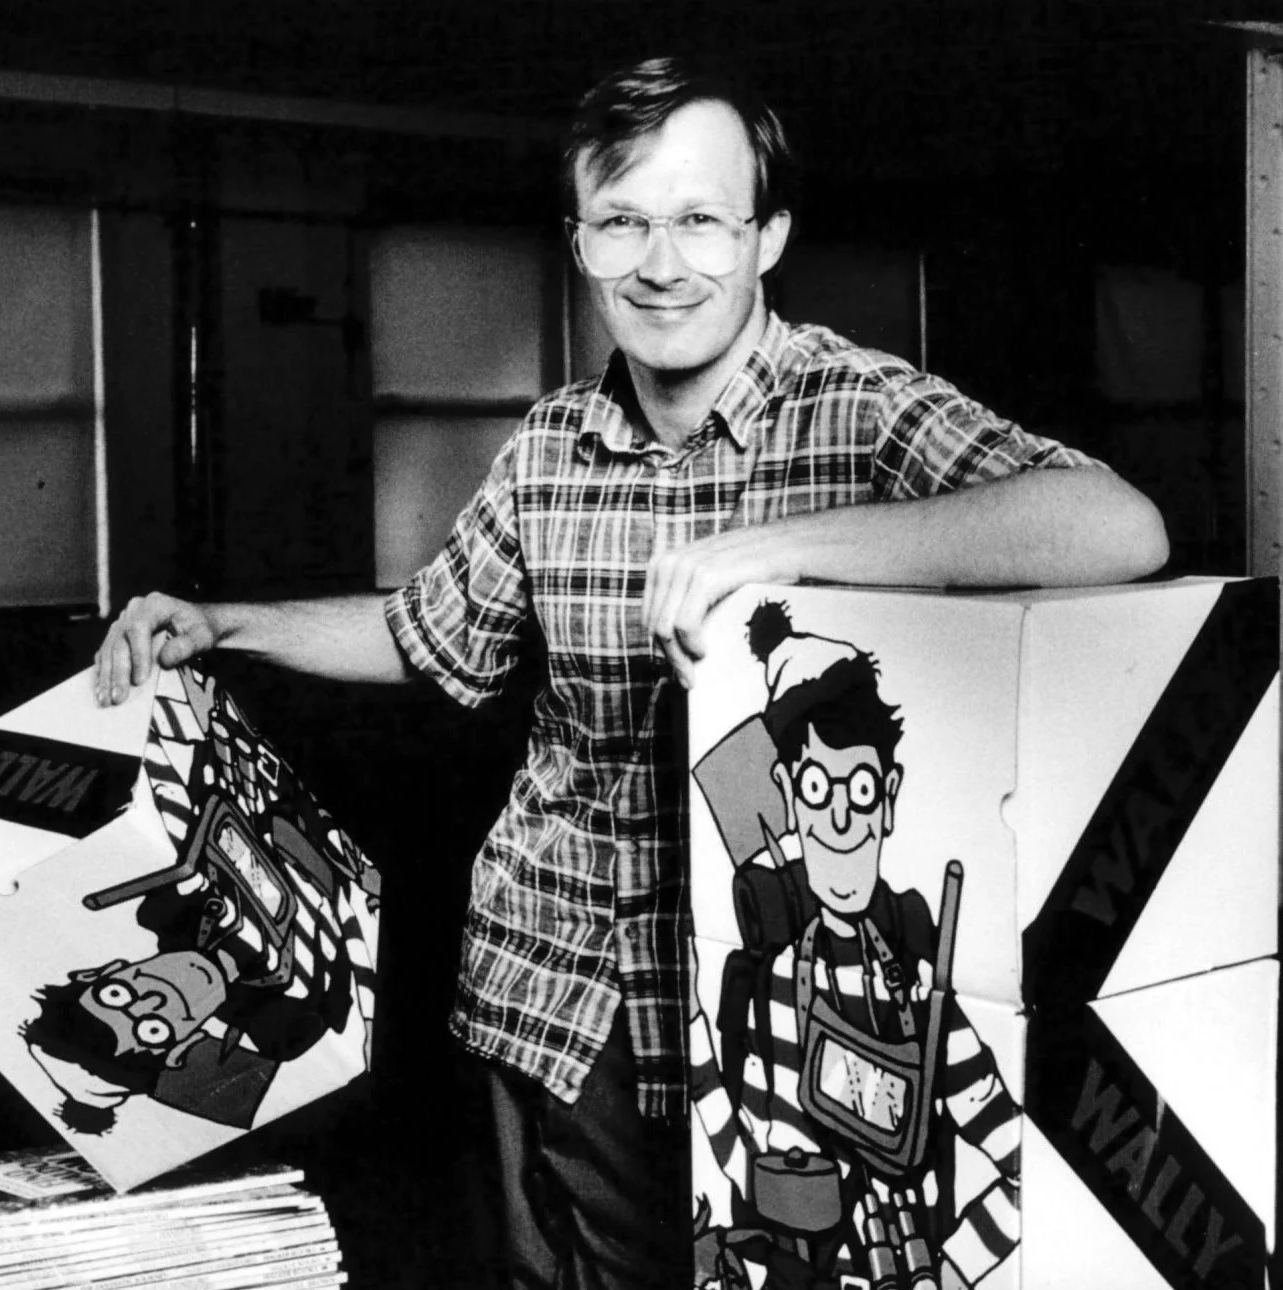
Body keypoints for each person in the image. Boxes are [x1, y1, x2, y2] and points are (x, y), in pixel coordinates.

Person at [92, 56, 1166, 1290]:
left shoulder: (859, 408)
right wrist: (226, 623)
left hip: (759, 1002)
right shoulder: (548, 445)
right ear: (580, 242)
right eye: (621, 223)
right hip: (538, 984)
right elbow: (429, 633)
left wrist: (781, 551)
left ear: (767, 236)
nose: (660, 265)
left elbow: (1116, 525)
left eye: (700, 219)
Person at [689, 602, 1020, 1290]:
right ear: (788, 795)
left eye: (860, 789)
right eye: (817, 787)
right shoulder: (769, 983)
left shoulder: (918, 994)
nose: (840, 818)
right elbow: (742, 1161)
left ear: (887, 798)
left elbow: (1023, 1165)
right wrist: (691, 1021)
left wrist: (950, 1272)